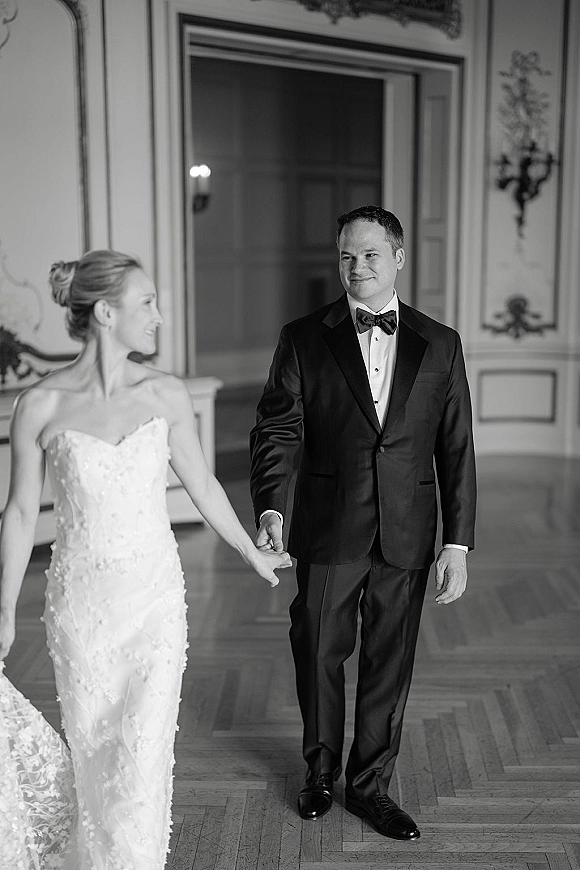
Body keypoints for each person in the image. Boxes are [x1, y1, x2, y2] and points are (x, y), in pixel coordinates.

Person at [0, 249, 291, 869]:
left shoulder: (166, 393)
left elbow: (204, 483)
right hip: (80, 612)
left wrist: (249, 551)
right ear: (106, 312)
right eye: (148, 302)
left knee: (140, 761)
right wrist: (3, 612)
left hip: (154, 605)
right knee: (95, 757)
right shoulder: (41, 406)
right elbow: (21, 515)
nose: (159, 316)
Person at [249, 206, 476, 840]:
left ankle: (370, 786)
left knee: (389, 661)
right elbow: (277, 430)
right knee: (318, 651)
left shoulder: (442, 342)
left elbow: (456, 448)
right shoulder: (303, 337)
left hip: (408, 530)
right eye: (347, 255)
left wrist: (455, 542)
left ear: (398, 259)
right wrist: (271, 506)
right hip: (326, 526)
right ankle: (320, 773)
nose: (357, 267)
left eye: (371, 255)